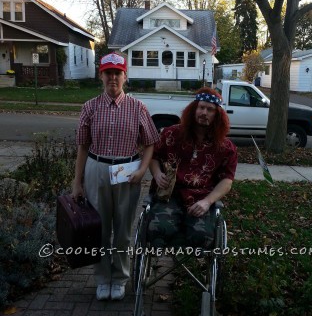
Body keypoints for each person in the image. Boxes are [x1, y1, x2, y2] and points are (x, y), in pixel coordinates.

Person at [72, 52, 159, 301]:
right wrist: (77, 181)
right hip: (97, 168)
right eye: (108, 73)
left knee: (122, 229)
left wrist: (142, 170)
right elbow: (83, 146)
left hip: (127, 172)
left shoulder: (137, 107)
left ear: (125, 76)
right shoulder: (90, 107)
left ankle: (119, 278)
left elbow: (151, 142)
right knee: (99, 229)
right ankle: (103, 279)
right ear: (101, 76)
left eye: (117, 73)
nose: (113, 78)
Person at [148, 87, 238, 248]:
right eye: (201, 107)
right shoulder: (171, 134)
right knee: (158, 230)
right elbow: (153, 156)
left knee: (201, 237)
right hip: (169, 193)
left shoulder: (226, 147)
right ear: (193, 109)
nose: (204, 112)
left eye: (210, 109)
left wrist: (207, 202)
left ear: (217, 115)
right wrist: (156, 173)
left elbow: (227, 180)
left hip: (200, 197)